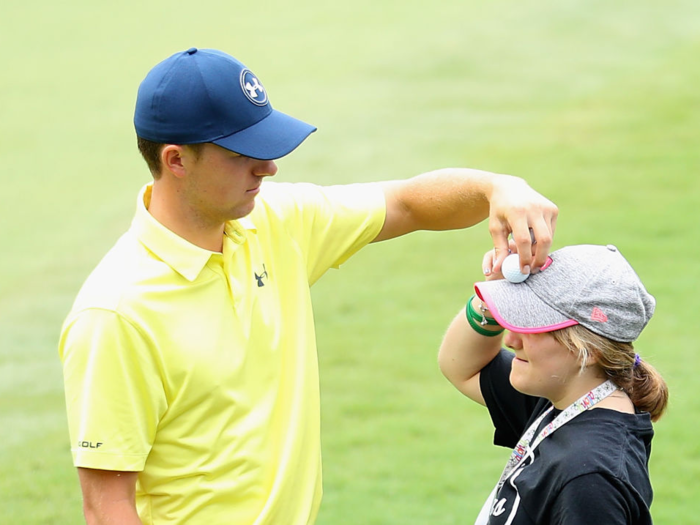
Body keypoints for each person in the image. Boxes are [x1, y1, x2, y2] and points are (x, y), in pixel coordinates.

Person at [58, 47, 558, 525]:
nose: (269, 167)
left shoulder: (273, 220)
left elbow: (408, 203)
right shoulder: (116, 313)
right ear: (176, 160)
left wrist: (499, 187)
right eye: (242, 154)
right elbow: (106, 506)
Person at [438, 243, 668, 524]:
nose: (510, 339)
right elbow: (461, 366)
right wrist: (492, 294)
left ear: (589, 349)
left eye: (534, 326)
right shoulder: (559, 399)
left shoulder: (591, 478)